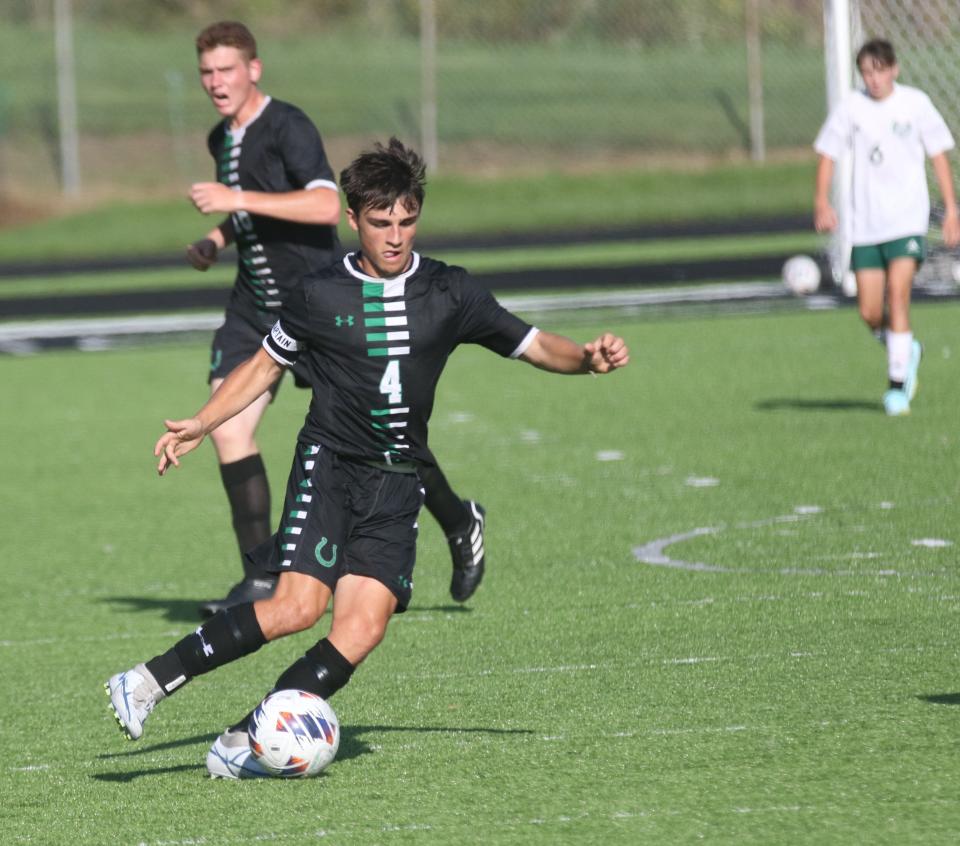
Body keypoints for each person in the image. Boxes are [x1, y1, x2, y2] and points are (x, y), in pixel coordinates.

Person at [105, 137, 629, 778]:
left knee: (362, 629)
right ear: (354, 220)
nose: (396, 235)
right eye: (381, 222)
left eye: (407, 221)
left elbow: (532, 343)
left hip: (397, 482)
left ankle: (247, 738)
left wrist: (586, 360)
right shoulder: (318, 293)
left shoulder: (449, 291)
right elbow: (262, 366)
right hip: (329, 469)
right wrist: (202, 422)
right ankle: (147, 681)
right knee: (296, 608)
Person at [187, 22, 487, 617]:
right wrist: (219, 237)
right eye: (207, 72)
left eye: (227, 69)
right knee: (228, 428)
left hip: (322, 305)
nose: (216, 82)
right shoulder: (221, 138)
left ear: (254, 69)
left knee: (382, 432)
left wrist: (234, 203)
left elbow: (326, 204)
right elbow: (254, 206)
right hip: (253, 304)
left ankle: (458, 517)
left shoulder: (288, 126)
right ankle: (260, 579)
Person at [813, 38, 960, 416]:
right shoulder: (851, 108)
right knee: (868, 311)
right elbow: (828, 154)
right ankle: (905, 347)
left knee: (898, 295)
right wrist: (821, 201)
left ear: (894, 69)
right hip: (865, 225)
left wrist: (952, 209)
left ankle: (897, 384)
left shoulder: (915, 104)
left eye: (880, 70)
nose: (874, 79)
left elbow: (938, 156)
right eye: (866, 72)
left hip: (907, 221)